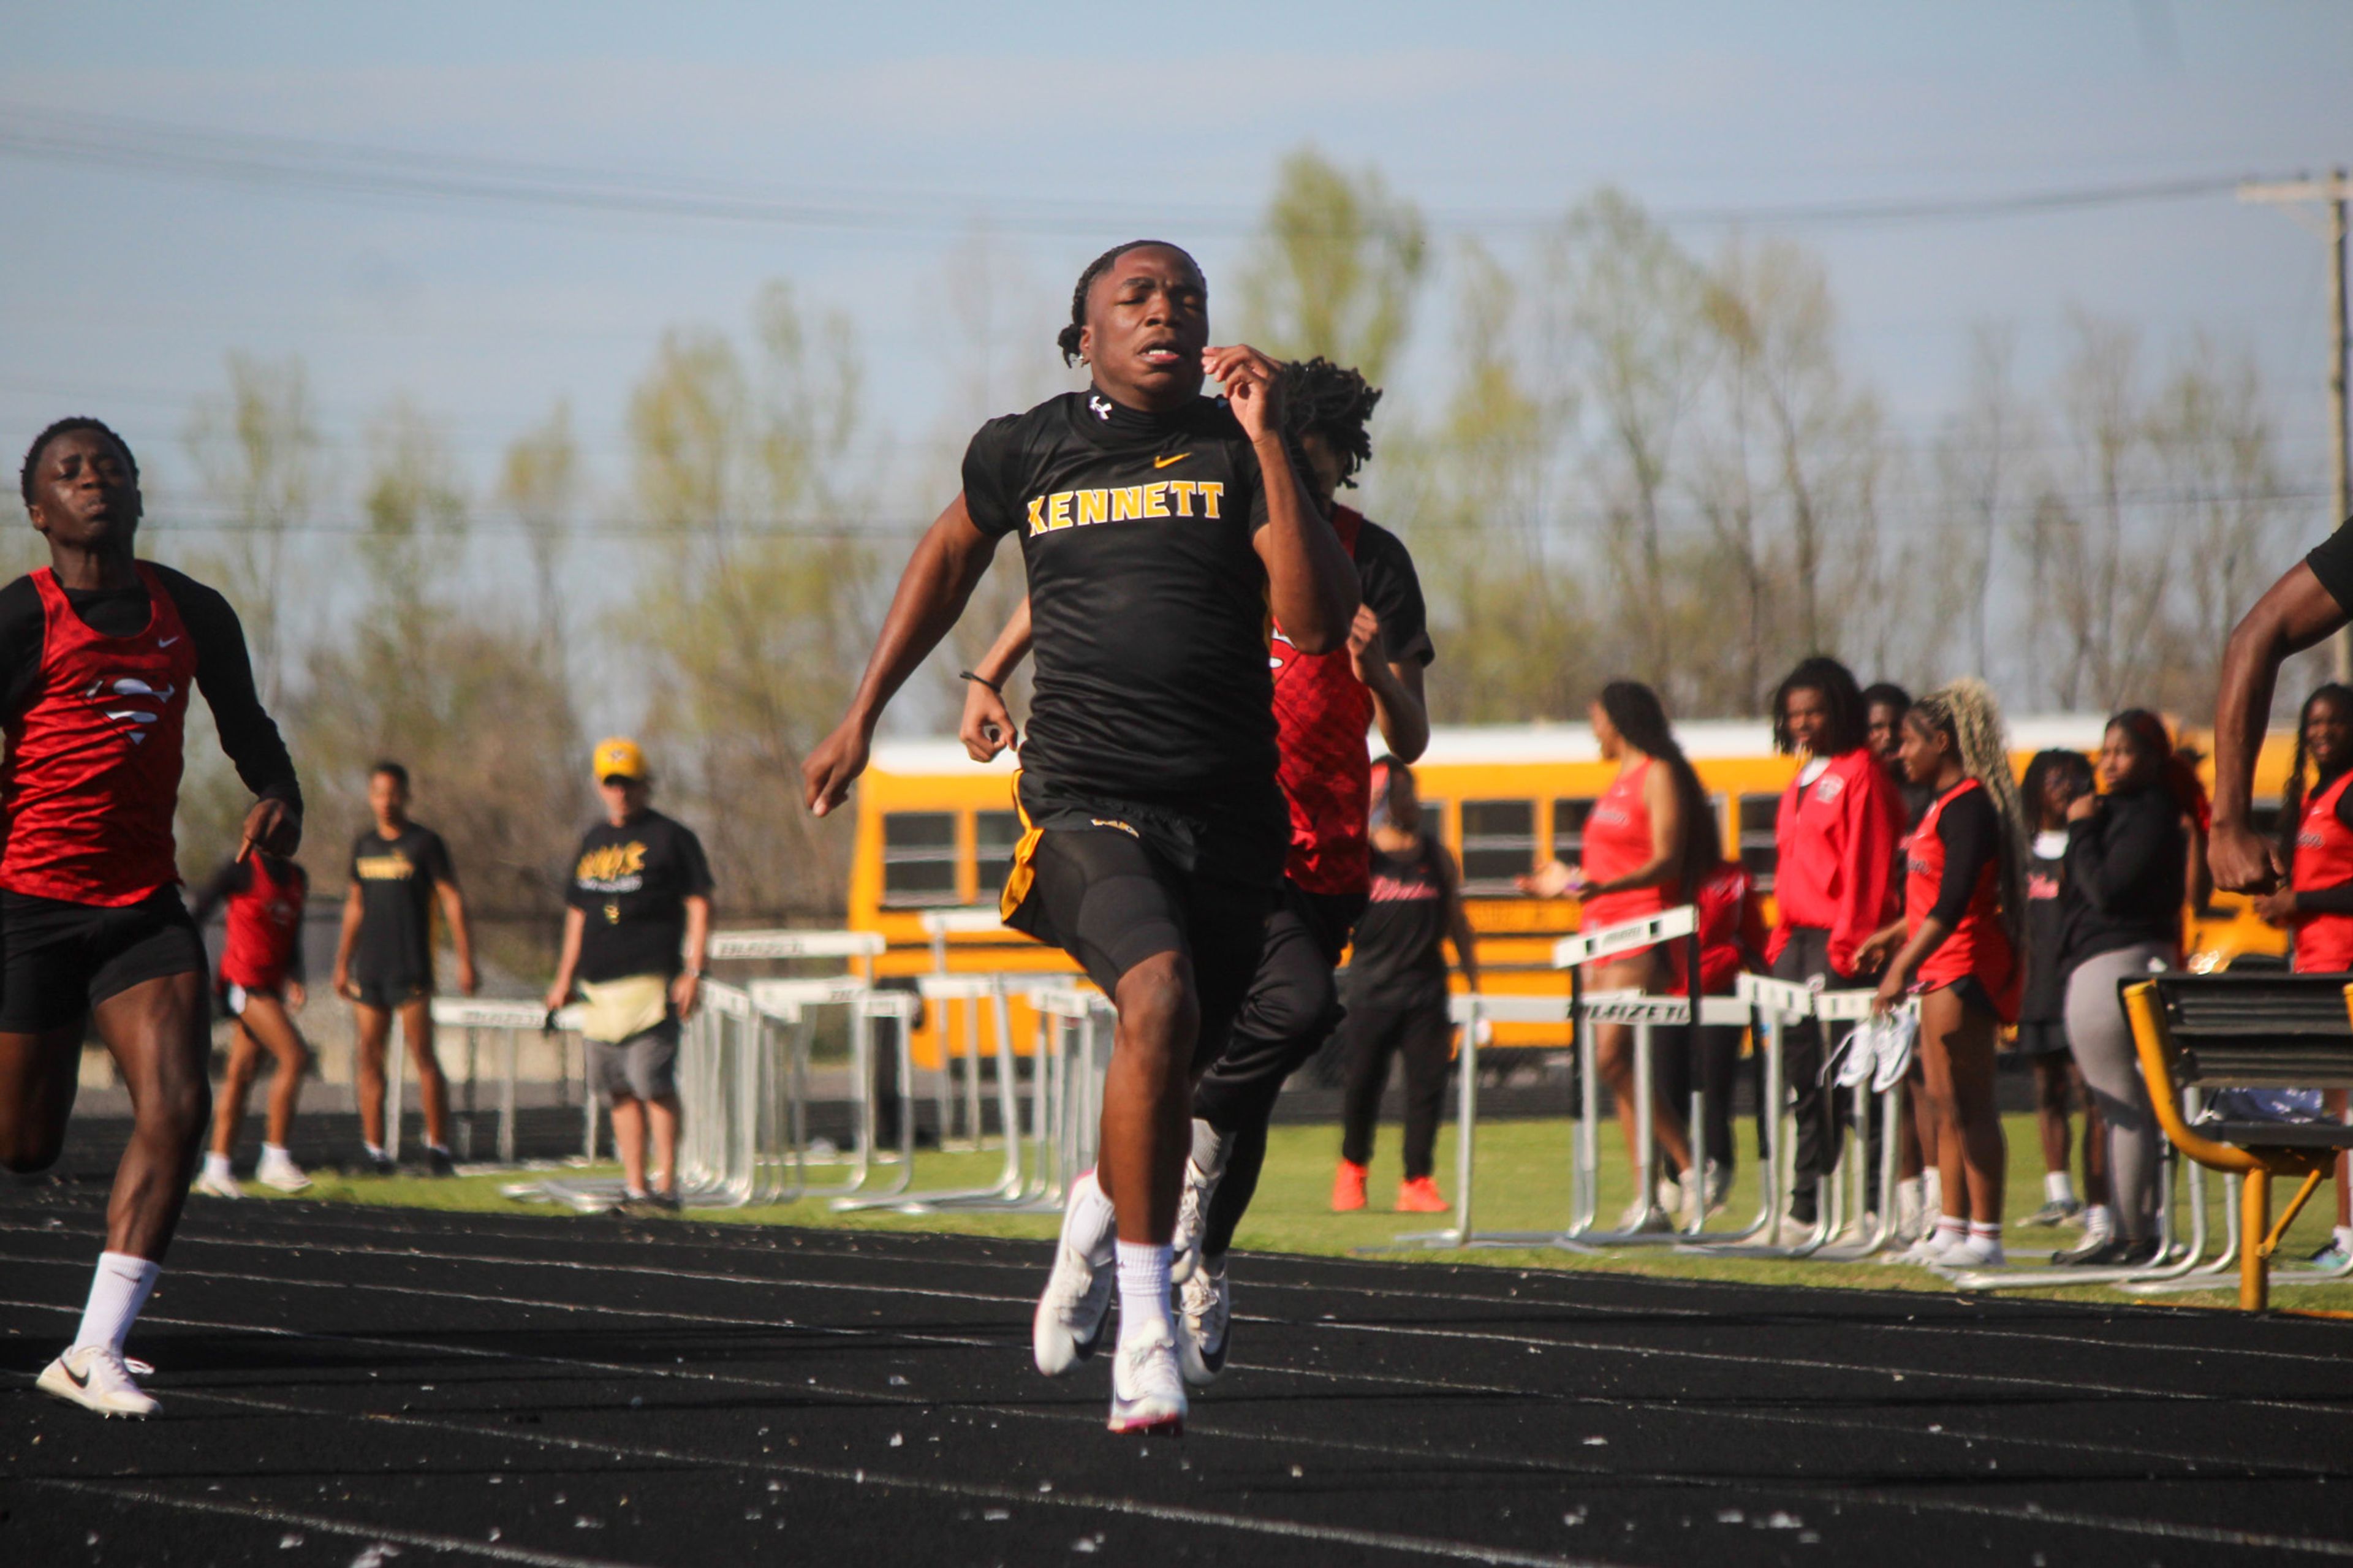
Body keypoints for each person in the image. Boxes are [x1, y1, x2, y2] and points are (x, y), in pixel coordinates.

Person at [801, 240, 1358, 1436]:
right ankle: (1146, 1331)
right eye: (1139, 298)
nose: (1169, 312)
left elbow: (1312, 628)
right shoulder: (1028, 446)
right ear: (1085, 333)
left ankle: (1099, 1205)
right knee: (1155, 999)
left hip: (1232, 822)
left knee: (1209, 1041)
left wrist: (1268, 439)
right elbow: (951, 554)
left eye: (1189, 299)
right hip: (1084, 800)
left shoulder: (1234, 451)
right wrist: (864, 710)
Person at [960, 355, 1433, 1390]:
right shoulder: (1220, 505)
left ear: (1338, 466)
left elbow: (1414, 733)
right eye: (1282, 475)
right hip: (1213, 827)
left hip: (1323, 848)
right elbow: (1084, 571)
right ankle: (1150, 1214)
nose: (1292, 495)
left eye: (1312, 475)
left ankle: (1186, 1239)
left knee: (1257, 1068)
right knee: (1277, 1008)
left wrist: (1378, 677)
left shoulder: (1368, 562)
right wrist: (988, 671)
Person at [4, 418, 301, 1417]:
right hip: (28, 907)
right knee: (26, 1146)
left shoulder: (195, 611)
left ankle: (95, 1347)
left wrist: (279, 793)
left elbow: (250, 728)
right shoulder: (19, 619)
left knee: (177, 1103)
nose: (96, 481)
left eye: (114, 468)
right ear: (37, 508)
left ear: (141, 495)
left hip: (139, 906)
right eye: (71, 472)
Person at [1518, 680, 1721, 1226]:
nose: (1593, 727)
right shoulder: (1615, 783)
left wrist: (1595, 884)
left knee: (1613, 1056)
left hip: (1639, 930)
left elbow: (1667, 859)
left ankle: (1693, 1164)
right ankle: (1648, 1194)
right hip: (1598, 934)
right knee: (1615, 1068)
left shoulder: (1658, 773)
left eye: (1597, 717)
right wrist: (1558, 884)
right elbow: (1599, 870)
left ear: (1620, 718)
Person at [1857, 680, 2028, 1268]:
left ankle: (1987, 1235)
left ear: (1943, 740)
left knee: (1972, 1101)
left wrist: (1899, 968)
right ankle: (1950, 1228)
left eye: (1908, 741)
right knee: (1942, 1103)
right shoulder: (1939, 804)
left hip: (1965, 966)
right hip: (1938, 964)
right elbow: (1928, 901)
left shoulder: (1971, 804)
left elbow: (1954, 904)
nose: (1899, 752)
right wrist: (1892, 937)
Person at [1762, 656, 1907, 1241]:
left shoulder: (1860, 774)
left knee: (1852, 1079)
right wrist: (1777, 937)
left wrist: (1850, 943)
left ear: (1839, 711)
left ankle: (1871, 1208)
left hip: (1839, 943)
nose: (1803, 723)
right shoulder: (1799, 778)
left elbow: (1867, 866)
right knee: (1805, 1082)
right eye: (1794, 713)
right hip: (1794, 944)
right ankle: (1805, 1206)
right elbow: (1789, 865)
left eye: (1815, 711)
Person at [2052, 710, 2202, 1267]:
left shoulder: (2152, 812)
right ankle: (2129, 1229)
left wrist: (2082, 828)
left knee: (2124, 1106)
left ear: (2153, 759)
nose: (2109, 762)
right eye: (2105, 751)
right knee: (2124, 1106)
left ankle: (2134, 1234)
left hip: (2119, 961)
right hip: (2110, 962)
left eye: (2123, 751)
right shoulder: (2125, 809)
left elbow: (2104, 889)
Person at [543, 737, 713, 1215]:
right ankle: (636, 1186)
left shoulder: (671, 837)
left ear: (645, 784)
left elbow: (700, 903)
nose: (620, 792)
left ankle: (668, 1183)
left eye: (629, 783)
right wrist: (562, 980)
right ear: (601, 785)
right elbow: (577, 914)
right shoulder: (593, 840)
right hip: (599, 990)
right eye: (611, 783)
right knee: (618, 1089)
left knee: (653, 1083)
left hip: (650, 985)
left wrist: (694, 970)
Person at [1333, 758, 1478, 1213]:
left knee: (1426, 1091)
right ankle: (1352, 1171)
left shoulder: (1437, 856)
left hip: (1426, 995)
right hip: (1371, 993)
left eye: (1414, 791)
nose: (1414, 801)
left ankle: (1417, 1182)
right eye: (1403, 793)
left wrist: (1477, 988)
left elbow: (1458, 924)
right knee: (1362, 1086)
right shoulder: (1363, 856)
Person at [2246, 684, 2353, 1268]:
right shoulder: (2319, 795)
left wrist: (2302, 900)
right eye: (2314, 720)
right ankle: (2345, 1234)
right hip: (2318, 968)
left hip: (2346, 968)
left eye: (2336, 720)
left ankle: (2349, 1237)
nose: (2322, 730)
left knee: (2349, 1111)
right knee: (2341, 1110)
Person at [331, 761, 477, 1175]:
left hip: (411, 966)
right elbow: (355, 905)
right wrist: (342, 963)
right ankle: (375, 1150)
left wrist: (466, 959)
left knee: (423, 1056)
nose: (386, 801)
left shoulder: (425, 843)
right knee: (369, 1058)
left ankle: (438, 1148)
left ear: (406, 795)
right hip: (370, 968)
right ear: (371, 796)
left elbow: (452, 899)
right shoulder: (363, 844)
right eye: (379, 792)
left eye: (393, 792)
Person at [2012, 748, 2110, 1244]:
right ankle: (2059, 1193)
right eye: (2054, 778)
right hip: (2036, 991)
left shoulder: (2089, 842)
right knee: (2046, 1090)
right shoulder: (2023, 851)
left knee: (2089, 1092)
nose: (2066, 785)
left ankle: (2100, 1204)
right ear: (2034, 789)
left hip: (2081, 985)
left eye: (2074, 776)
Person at [191, 847, 314, 1198]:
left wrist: (296, 976)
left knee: (242, 1073)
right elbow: (200, 908)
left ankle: (216, 1168)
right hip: (242, 982)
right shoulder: (241, 869)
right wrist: (190, 960)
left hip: (271, 986)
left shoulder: (296, 878)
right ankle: (275, 1158)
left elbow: (294, 932)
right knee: (295, 1057)